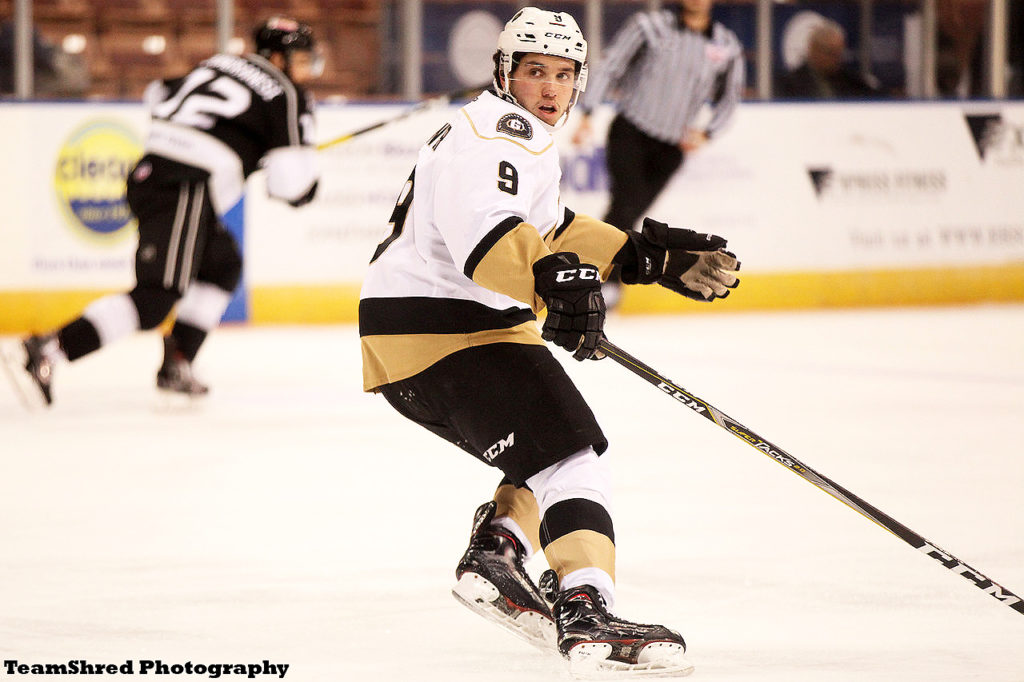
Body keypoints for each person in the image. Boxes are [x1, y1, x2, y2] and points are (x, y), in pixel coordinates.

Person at [359, 7, 740, 677]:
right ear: (505, 71)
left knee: (548, 453)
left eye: (564, 75)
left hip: (415, 333)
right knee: (573, 461)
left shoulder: (511, 133)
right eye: (535, 71)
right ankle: (587, 609)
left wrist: (642, 259)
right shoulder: (499, 133)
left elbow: (550, 228)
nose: (550, 88)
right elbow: (489, 239)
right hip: (451, 326)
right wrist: (548, 281)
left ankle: (499, 551)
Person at [19, 16, 321, 405]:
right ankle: (49, 348)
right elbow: (289, 187)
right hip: (185, 186)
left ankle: (177, 363)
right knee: (155, 298)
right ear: (277, 58)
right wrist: (305, 184)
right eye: (301, 59)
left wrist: (234, 141)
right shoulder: (285, 93)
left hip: (153, 173)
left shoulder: (219, 63)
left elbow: (157, 94)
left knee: (221, 265)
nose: (306, 70)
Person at [571, 0, 744, 307]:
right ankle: (603, 280)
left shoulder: (726, 45)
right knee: (626, 205)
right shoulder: (650, 27)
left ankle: (590, 273)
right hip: (630, 131)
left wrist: (708, 132)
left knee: (627, 212)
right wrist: (587, 113)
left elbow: (731, 97)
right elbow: (612, 64)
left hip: (672, 148)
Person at [775, 20, 879, 99]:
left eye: (838, 53)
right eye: (830, 52)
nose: (835, 59)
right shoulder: (789, 84)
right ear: (813, 49)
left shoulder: (851, 82)